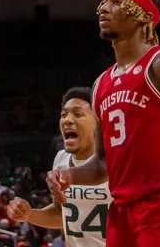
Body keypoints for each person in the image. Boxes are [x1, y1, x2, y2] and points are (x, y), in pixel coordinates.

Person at [47, 0, 160, 247]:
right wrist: (68, 176)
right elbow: (102, 164)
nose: (103, 9)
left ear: (145, 16)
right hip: (121, 211)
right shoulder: (102, 83)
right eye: (103, 2)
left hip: (159, 207)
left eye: (116, 2)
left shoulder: (159, 63)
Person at [8, 87, 109, 246]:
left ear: (98, 122)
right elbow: (61, 213)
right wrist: (29, 215)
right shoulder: (61, 159)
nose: (67, 120)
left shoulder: (118, 162)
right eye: (63, 114)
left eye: (78, 114)